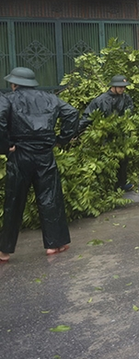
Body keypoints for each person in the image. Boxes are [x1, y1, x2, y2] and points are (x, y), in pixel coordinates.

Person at [0, 67, 79, 263]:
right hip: (45, 155)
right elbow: (71, 113)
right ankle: (55, 244)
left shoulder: (8, 99)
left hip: (19, 155)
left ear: (14, 83)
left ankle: (4, 251)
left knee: (13, 201)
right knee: (50, 197)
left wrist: (4, 146)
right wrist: (61, 139)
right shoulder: (50, 98)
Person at [79, 75, 135, 190]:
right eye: (120, 87)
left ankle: (122, 184)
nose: (122, 89)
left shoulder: (125, 98)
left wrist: (122, 119)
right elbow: (88, 116)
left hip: (120, 135)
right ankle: (106, 187)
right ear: (113, 86)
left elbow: (130, 109)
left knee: (123, 160)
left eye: (124, 87)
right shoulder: (101, 100)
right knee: (106, 161)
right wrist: (76, 131)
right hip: (105, 136)